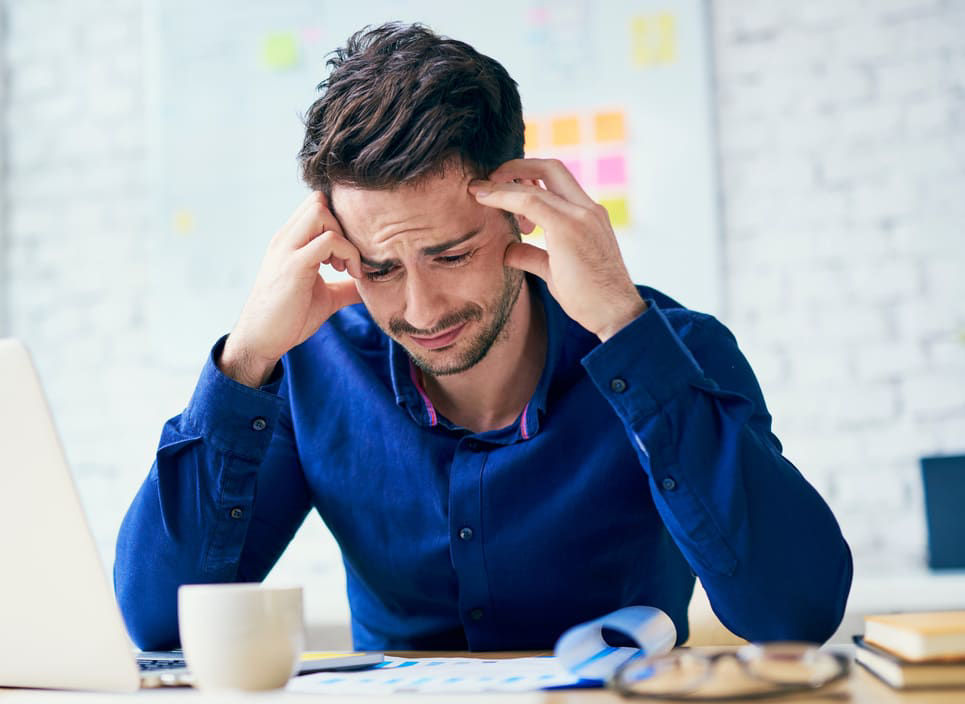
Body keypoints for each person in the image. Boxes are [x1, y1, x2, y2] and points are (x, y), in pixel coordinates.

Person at [113, 22, 852, 651]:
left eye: (451, 254)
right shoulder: (312, 369)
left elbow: (792, 614)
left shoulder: (671, 351)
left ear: (521, 211)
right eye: (378, 267)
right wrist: (245, 358)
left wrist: (624, 328)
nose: (421, 308)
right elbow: (158, 622)